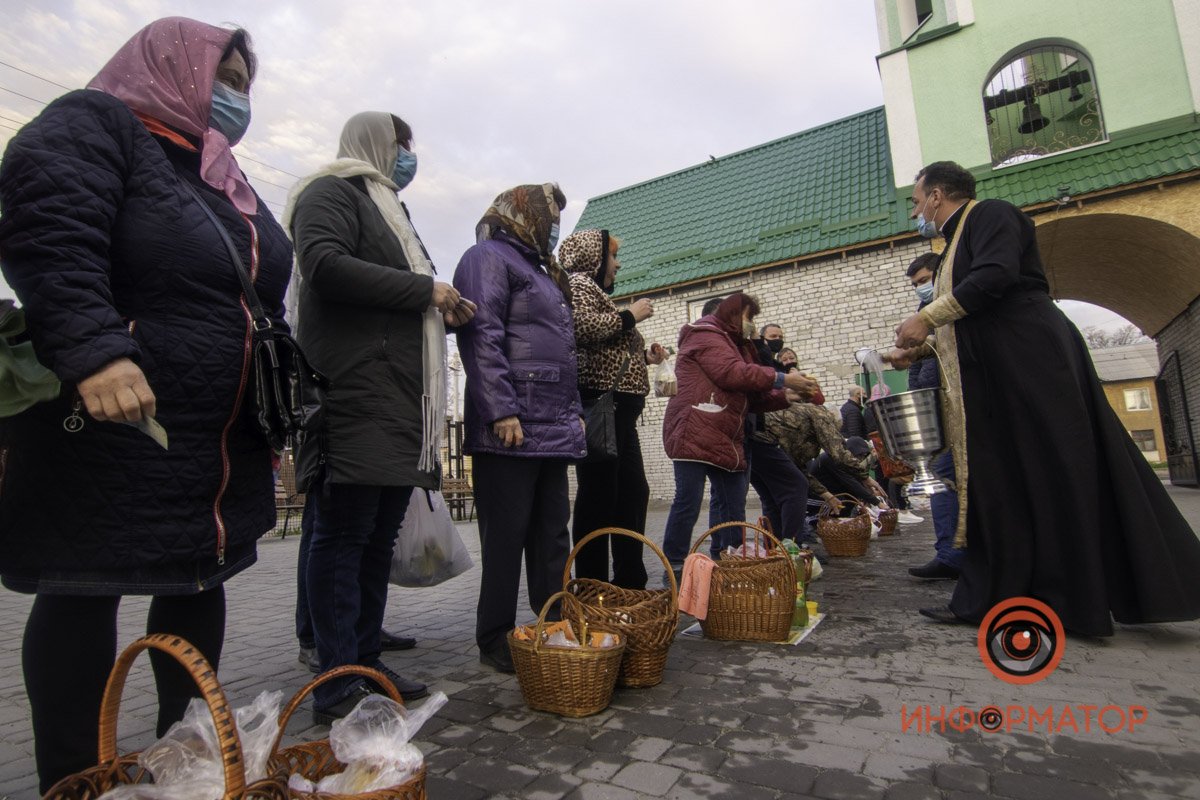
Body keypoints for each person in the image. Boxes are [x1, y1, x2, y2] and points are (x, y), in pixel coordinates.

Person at [0, 18, 290, 790]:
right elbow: (50, 229)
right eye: (223, 76)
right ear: (173, 66)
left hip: (211, 430)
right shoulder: (97, 123)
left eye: (244, 82)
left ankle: (187, 756)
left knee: (198, 577)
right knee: (82, 585)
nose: (236, 95)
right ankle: (74, 776)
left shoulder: (216, 172)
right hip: (113, 413)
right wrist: (96, 349)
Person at [890, 160, 1200, 634]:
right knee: (1008, 483)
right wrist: (918, 350)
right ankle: (998, 597)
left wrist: (927, 317)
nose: (915, 211)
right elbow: (972, 319)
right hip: (999, 372)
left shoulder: (990, 213)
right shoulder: (952, 242)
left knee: (1051, 471)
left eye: (916, 200)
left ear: (936, 195)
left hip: (1030, 360)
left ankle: (1071, 600)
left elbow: (996, 277)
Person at [286, 111, 475, 721]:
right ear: (375, 142)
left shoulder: (392, 210)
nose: (407, 158)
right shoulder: (330, 192)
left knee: (375, 538)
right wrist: (426, 292)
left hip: (397, 396)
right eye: (401, 146)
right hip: (352, 390)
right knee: (341, 537)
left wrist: (441, 306)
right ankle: (336, 678)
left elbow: (398, 285)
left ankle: (364, 657)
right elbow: (325, 265)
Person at [453, 183, 584, 673]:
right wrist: (501, 409)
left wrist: (571, 417)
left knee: (552, 532)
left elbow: (561, 353)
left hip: (549, 423)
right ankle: (494, 637)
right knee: (506, 536)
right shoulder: (486, 256)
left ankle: (551, 621)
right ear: (522, 212)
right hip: (510, 425)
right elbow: (481, 335)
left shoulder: (542, 271)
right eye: (550, 217)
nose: (554, 227)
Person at [660, 293, 816, 581]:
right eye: (748, 317)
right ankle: (675, 567)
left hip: (726, 435)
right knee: (689, 501)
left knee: (734, 504)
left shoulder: (735, 345)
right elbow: (732, 374)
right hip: (693, 427)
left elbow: (749, 397)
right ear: (730, 314)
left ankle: (730, 563)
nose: (751, 325)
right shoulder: (705, 334)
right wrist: (782, 378)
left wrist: (787, 396)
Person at [560, 229, 666, 589]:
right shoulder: (577, 283)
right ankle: (593, 586)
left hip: (620, 408)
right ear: (594, 258)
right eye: (613, 257)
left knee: (632, 492)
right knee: (600, 494)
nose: (618, 264)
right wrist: (630, 316)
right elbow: (580, 327)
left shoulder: (592, 290)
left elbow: (608, 348)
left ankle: (630, 583)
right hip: (604, 404)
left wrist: (646, 358)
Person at [902, 252, 962, 579]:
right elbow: (918, 366)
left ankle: (954, 555)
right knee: (942, 479)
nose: (919, 289)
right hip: (938, 411)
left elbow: (941, 358)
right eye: (915, 284)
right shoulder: (924, 315)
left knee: (944, 478)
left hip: (956, 409)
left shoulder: (950, 309)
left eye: (924, 281)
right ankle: (950, 553)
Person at [746, 322, 814, 545]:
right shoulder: (755, 356)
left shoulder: (770, 364)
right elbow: (764, 378)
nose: (778, 340)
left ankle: (774, 550)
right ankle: (792, 547)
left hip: (754, 432)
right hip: (757, 435)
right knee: (795, 485)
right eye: (772, 336)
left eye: (780, 336)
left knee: (772, 497)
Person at [767, 389, 872, 525]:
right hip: (767, 450)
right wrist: (865, 477)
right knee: (794, 491)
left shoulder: (794, 424)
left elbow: (800, 469)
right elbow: (839, 454)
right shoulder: (818, 415)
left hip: (758, 447)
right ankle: (793, 540)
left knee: (771, 499)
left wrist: (827, 495)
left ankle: (778, 541)